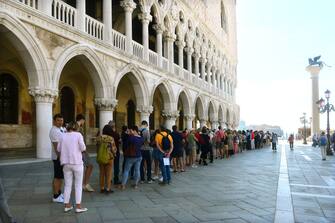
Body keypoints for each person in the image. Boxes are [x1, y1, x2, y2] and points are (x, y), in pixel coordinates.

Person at [57, 122, 87, 213]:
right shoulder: (78, 135)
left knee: (67, 185)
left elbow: (58, 149)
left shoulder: (63, 135)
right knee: (78, 185)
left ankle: (67, 205)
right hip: (77, 162)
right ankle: (78, 206)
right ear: (76, 128)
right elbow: (83, 148)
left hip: (66, 163)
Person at [49, 113, 65, 203]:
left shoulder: (61, 129)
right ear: (54, 121)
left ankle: (59, 193)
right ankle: (55, 196)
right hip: (58, 157)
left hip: (62, 156)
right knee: (57, 177)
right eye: (58, 120)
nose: (60, 122)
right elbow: (56, 147)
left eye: (61, 120)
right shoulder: (54, 131)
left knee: (60, 176)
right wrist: (60, 158)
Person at [75, 114, 94, 192]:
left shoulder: (75, 126)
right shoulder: (78, 127)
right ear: (82, 120)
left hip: (78, 150)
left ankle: (84, 184)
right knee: (90, 165)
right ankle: (85, 184)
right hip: (81, 150)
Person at [97, 124, 117, 194]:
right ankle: (108, 188)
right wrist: (115, 153)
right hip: (109, 158)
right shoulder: (111, 138)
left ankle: (102, 188)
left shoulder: (99, 138)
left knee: (101, 173)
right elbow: (113, 148)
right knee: (109, 174)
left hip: (101, 157)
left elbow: (97, 147)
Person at [107, 121, 121, 185]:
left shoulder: (106, 134)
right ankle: (116, 179)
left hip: (108, 151)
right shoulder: (116, 134)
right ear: (114, 126)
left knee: (108, 166)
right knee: (116, 166)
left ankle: (108, 179)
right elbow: (119, 141)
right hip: (115, 152)